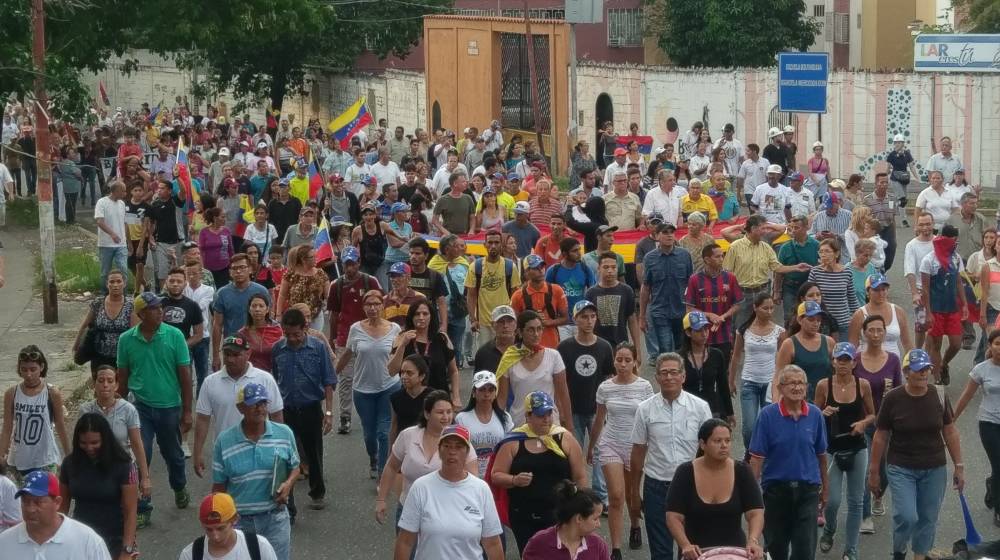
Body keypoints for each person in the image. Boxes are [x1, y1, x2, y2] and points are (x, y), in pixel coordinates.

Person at [868, 349, 964, 560]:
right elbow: (880, 436)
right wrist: (874, 471)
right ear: (906, 372)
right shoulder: (893, 398)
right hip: (901, 466)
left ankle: (919, 555)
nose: (923, 374)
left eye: (926, 369)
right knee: (907, 516)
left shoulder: (938, 394)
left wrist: (959, 466)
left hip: (934, 467)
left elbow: (949, 430)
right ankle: (899, 550)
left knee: (928, 517)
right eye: (918, 369)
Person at [629, 352, 712, 560]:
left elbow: (710, 451)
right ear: (656, 377)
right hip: (657, 487)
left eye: (674, 372)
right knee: (661, 552)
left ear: (683, 376)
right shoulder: (644, 409)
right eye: (664, 373)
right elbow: (638, 451)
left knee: (693, 550)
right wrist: (633, 493)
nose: (669, 377)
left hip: (692, 486)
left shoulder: (700, 408)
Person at [116, 292, 193, 510]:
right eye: (153, 308)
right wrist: (117, 409)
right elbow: (122, 377)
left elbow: (185, 376)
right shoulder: (126, 340)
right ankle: (143, 504)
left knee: (174, 455)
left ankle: (179, 486)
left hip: (170, 407)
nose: (160, 311)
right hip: (140, 407)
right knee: (142, 454)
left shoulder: (175, 335)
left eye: (161, 307)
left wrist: (187, 411)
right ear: (141, 314)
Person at [490, 391, 587, 553]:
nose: (547, 419)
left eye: (549, 413)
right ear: (528, 416)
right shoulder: (513, 441)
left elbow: (580, 476)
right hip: (524, 515)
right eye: (541, 414)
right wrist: (514, 480)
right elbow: (496, 475)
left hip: (560, 514)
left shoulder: (564, 438)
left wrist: (583, 507)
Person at [749, 364, 829, 560]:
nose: (797, 387)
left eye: (801, 383)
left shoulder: (815, 415)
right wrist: (751, 495)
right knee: (776, 549)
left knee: (805, 550)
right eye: (791, 383)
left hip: (808, 490)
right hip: (776, 491)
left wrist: (825, 488)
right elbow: (757, 458)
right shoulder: (767, 415)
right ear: (780, 388)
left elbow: (821, 456)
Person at [211, 384, 298, 560]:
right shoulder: (224, 441)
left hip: (275, 518)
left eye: (263, 403)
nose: (260, 408)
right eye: (254, 403)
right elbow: (219, 487)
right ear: (240, 407)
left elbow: (294, 466)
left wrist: (288, 484)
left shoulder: (284, 433)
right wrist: (218, 521)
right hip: (239, 523)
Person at [394, 424, 504, 560]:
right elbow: (405, 541)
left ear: (467, 452)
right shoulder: (421, 487)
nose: (452, 452)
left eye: (458, 447)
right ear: (439, 451)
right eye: (447, 446)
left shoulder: (481, 489)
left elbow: (492, 543)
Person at [586, 342, 653, 558]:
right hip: (610, 443)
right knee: (615, 495)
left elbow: (650, 420)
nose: (622, 364)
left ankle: (635, 524)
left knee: (633, 494)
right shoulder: (605, 387)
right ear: (614, 361)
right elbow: (599, 419)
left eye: (627, 360)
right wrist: (591, 446)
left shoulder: (644, 387)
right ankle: (615, 548)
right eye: (619, 359)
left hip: (635, 446)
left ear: (635, 362)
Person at [666, 418, 765, 560]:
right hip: (696, 554)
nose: (724, 445)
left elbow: (755, 513)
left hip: (734, 553)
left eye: (727, 440)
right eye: (717, 441)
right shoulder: (685, 472)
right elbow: (673, 517)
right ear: (702, 444)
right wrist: (685, 544)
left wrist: (753, 540)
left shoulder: (742, 471)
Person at [814, 342, 876, 560]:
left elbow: (872, 414)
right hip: (832, 449)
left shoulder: (863, 385)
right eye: (839, 359)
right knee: (831, 501)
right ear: (833, 362)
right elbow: (814, 415)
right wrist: (824, 412)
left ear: (854, 363)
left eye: (847, 360)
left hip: (857, 447)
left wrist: (863, 424)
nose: (842, 364)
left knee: (856, 500)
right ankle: (830, 529)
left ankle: (851, 549)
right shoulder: (824, 385)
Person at [376, 390, 477, 524]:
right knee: (405, 545)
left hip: (446, 513)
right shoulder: (408, 436)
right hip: (409, 509)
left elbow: (473, 478)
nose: (446, 417)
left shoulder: (460, 441)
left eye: (449, 412)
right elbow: (391, 467)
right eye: (440, 412)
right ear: (427, 414)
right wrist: (381, 500)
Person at [270, 309, 336, 511]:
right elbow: (274, 377)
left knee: (313, 452)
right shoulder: (278, 349)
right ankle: (285, 496)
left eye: (296, 334)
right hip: (286, 409)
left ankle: (317, 492)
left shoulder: (317, 347)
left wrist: (329, 412)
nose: (291, 338)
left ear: (305, 328)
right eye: (286, 334)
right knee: (284, 453)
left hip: (310, 408)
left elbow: (328, 380)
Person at [192, 334, 283, 477]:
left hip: (260, 449)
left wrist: (280, 449)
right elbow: (203, 419)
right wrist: (197, 453)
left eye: (236, 355)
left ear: (248, 354)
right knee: (225, 496)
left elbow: (276, 415)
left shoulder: (265, 379)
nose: (230, 359)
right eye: (227, 354)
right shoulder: (210, 382)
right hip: (226, 451)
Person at [336, 290, 402, 479]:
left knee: (384, 433)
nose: (372, 308)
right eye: (368, 304)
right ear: (363, 307)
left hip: (389, 387)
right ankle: (373, 457)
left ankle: (382, 473)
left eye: (376, 304)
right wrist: (333, 375)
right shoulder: (356, 329)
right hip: (363, 389)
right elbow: (347, 354)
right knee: (369, 434)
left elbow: (399, 356)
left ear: (383, 305)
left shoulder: (395, 329)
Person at [58, 413, 138, 557]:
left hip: (115, 538)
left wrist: (127, 550)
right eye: (83, 443)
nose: (89, 448)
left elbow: (130, 512)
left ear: (105, 440)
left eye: (95, 443)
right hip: (81, 538)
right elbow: (62, 507)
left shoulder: (124, 466)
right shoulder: (69, 464)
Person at [327, 246, 382, 435]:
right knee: (345, 378)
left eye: (352, 264)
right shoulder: (337, 285)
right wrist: (333, 338)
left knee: (374, 375)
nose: (349, 268)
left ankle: (374, 413)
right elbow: (334, 313)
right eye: (346, 264)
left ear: (359, 263)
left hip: (370, 335)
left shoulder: (370, 281)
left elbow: (380, 305)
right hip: (346, 337)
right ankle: (345, 415)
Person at [723, 215, 811, 329]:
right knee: (741, 327)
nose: (765, 232)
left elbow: (777, 267)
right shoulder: (735, 246)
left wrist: (796, 267)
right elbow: (726, 271)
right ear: (753, 228)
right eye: (762, 228)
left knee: (764, 325)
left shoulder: (766, 247)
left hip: (763, 292)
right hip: (742, 294)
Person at [0, 470, 112, 560]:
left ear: (57, 502)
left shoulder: (87, 541)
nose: (30, 509)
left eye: (38, 502)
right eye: (25, 501)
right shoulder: (4, 542)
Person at [497, 310, 575, 432]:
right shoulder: (509, 358)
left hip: (549, 424)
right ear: (520, 332)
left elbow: (564, 395)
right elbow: (501, 399)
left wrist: (570, 428)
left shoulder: (554, 356)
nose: (536, 334)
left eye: (539, 329)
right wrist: (498, 426)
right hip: (519, 426)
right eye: (531, 330)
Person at [0, 346, 69, 479]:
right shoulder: (12, 393)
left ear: (41, 367)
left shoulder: (51, 393)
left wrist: (69, 455)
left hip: (45, 458)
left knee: (44, 498)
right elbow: (7, 428)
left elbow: (60, 425)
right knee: (21, 499)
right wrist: (1, 455)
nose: (28, 374)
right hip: (19, 459)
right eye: (24, 370)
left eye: (33, 369)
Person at [954, 329, 1000, 527]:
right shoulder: (982, 369)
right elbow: (966, 396)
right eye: (997, 344)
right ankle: (999, 509)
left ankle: (992, 484)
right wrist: (951, 420)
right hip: (989, 423)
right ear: (990, 346)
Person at [729, 293, 783, 450]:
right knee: (749, 428)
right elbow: (736, 356)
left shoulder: (779, 331)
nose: (769, 311)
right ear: (755, 308)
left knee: (769, 425)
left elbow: (783, 360)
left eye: (772, 308)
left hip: (770, 383)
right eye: (765, 308)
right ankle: (750, 455)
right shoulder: (744, 330)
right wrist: (731, 381)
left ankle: (766, 456)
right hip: (749, 382)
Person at [387, 299, 461, 405]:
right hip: (411, 400)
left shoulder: (442, 338)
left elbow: (453, 371)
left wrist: (456, 397)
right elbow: (392, 371)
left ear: (431, 316)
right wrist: (403, 345)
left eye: (425, 314)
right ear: (411, 317)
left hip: (439, 400)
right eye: (417, 314)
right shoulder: (401, 338)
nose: (421, 318)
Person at [920, 224, 967, 384]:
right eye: (953, 240)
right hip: (936, 309)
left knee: (956, 343)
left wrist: (965, 304)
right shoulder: (929, 260)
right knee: (936, 345)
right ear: (946, 240)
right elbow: (925, 289)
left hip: (952, 308)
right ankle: (937, 378)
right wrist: (928, 312)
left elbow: (959, 282)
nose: (955, 243)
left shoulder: (956, 258)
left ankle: (944, 364)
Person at [522, 480, 611, 560]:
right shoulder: (539, 544)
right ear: (579, 518)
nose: (599, 524)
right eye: (595, 519)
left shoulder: (598, 545)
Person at [640, 222, 693, 354]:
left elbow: (691, 284)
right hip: (660, 311)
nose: (669, 236)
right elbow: (646, 287)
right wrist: (642, 316)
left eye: (671, 233)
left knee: (682, 349)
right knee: (666, 349)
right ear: (657, 236)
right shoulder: (649, 258)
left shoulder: (685, 255)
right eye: (665, 232)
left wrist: (692, 309)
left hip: (681, 310)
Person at [211, 253, 271, 370]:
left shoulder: (261, 291)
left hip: (258, 349)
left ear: (250, 269)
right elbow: (217, 326)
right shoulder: (222, 294)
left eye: (242, 267)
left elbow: (269, 321)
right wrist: (215, 356)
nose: (238, 271)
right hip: (233, 348)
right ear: (230, 272)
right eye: (234, 268)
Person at [178, 492, 279, 560]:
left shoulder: (260, 546)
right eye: (208, 529)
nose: (215, 536)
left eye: (220, 528)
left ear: (235, 520)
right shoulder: (190, 555)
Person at [73, 270, 136, 376]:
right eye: (111, 282)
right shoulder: (98, 303)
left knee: (120, 389)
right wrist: (76, 345)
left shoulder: (131, 305)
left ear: (124, 283)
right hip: (99, 355)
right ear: (107, 284)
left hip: (122, 358)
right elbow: (85, 325)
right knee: (101, 387)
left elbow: (135, 333)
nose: (115, 285)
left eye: (118, 281)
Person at [467, 229, 521, 349]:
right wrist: (473, 319)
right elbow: (471, 295)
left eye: (496, 243)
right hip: (484, 323)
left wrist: (515, 320)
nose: (493, 246)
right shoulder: (475, 267)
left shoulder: (510, 266)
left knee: (506, 356)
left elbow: (515, 295)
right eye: (490, 243)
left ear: (501, 245)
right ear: (484, 245)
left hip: (505, 321)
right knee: (485, 356)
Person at [679, 311, 734, 423]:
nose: (704, 334)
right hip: (686, 410)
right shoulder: (678, 358)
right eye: (699, 330)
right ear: (688, 333)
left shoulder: (716, 355)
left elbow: (723, 386)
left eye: (706, 329)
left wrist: (730, 412)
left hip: (711, 410)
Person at [775, 301, 835, 400]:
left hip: (826, 400)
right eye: (811, 319)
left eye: (818, 320)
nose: (815, 323)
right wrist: (776, 402)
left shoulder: (829, 342)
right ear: (800, 320)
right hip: (799, 401)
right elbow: (778, 376)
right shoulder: (789, 344)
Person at [510, 254, 569, 349]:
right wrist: (530, 319)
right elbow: (513, 324)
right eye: (536, 268)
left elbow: (565, 318)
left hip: (551, 345)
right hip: (528, 347)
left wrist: (548, 322)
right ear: (526, 272)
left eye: (542, 266)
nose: (540, 270)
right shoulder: (517, 296)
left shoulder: (556, 290)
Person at [847, 273, 912, 358]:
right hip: (866, 362)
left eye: (883, 289)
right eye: (876, 290)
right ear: (868, 292)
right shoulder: (859, 315)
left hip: (892, 365)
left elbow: (907, 343)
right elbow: (853, 345)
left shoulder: (898, 311)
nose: (881, 293)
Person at [586, 251, 640, 350]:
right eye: (606, 267)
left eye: (613, 267)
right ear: (599, 269)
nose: (610, 270)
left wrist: (638, 349)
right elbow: (586, 322)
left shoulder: (627, 290)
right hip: (596, 346)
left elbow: (632, 320)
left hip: (621, 346)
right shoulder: (590, 293)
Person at [546, 237, 596, 341]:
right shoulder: (553, 271)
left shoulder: (585, 269)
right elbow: (546, 295)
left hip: (581, 321)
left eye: (579, 250)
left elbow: (592, 293)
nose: (579, 253)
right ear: (564, 254)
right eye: (574, 251)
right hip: (561, 323)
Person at [807, 238, 860, 337]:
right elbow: (808, 296)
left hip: (843, 322)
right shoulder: (815, 272)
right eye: (821, 251)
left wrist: (858, 316)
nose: (823, 254)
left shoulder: (847, 272)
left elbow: (852, 298)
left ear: (836, 254)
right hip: (822, 322)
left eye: (827, 251)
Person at [904, 212, 936, 348]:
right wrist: (914, 293)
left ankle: (931, 356)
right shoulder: (912, 245)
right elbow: (910, 271)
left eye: (928, 224)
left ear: (933, 224)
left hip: (938, 290)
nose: (925, 228)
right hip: (920, 291)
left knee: (935, 327)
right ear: (916, 227)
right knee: (922, 324)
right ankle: (917, 351)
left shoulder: (938, 242)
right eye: (922, 225)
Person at [389, 354, 433, 444]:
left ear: (422, 376)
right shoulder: (396, 397)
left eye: (409, 373)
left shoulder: (433, 397)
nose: (404, 376)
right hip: (404, 446)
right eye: (402, 372)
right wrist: (390, 453)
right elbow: (394, 426)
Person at [95, 180, 129, 291]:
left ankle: (123, 294)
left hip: (121, 244)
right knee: (105, 272)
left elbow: (124, 222)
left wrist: (128, 240)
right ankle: (104, 294)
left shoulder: (122, 204)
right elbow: (100, 221)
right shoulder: (102, 202)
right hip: (106, 244)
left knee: (123, 269)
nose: (125, 194)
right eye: (123, 191)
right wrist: (112, 234)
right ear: (115, 191)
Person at [237, 294, 285, 372]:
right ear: (249, 310)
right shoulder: (242, 334)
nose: (257, 309)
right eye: (254, 306)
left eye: (261, 306)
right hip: (250, 374)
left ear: (267, 310)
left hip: (273, 374)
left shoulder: (277, 330)